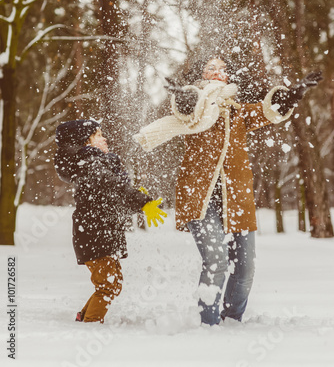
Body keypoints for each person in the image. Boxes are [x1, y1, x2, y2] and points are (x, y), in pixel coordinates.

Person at [133, 56, 322, 326]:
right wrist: (184, 98)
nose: (218, 72)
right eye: (211, 67)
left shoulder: (238, 111)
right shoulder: (197, 105)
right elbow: (186, 111)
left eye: (222, 69)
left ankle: (232, 322)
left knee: (245, 268)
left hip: (236, 199)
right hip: (200, 198)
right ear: (202, 74)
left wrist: (291, 96)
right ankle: (208, 326)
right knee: (216, 260)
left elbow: (268, 112)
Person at [54, 118, 167, 323]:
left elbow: (112, 198)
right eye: (98, 135)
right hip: (94, 235)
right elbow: (115, 188)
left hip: (100, 235)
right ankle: (90, 324)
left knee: (112, 284)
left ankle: (84, 317)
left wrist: (134, 201)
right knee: (108, 286)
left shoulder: (96, 164)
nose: (104, 138)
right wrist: (141, 201)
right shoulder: (91, 164)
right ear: (85, 143)